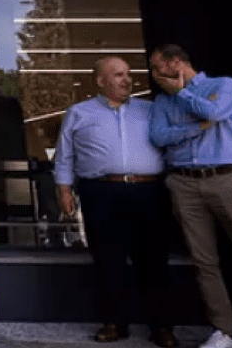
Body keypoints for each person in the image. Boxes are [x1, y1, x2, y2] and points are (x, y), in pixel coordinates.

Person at [53, 57, 176, 347]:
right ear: (101, 81)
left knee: (153, 260)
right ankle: (114, 323)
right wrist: (64, 189)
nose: (127, 79)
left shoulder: (150, 110)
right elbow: (65, 155)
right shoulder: (78, 113)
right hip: (101, 192)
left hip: (148, 192)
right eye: (119, 75)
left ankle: (161, 327)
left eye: (128, 74)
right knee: (108, 260)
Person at [149, 44, 232, 348]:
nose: (154, 74)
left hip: (226, 178)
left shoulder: (222, 85)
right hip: (184, 184)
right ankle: (224, 332)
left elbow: (214, 111)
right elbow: (158, 136)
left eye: (157, 67)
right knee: (204, 261)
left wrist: (183, 94)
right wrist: (197, 126)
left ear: (176, 63)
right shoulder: (161, 102)